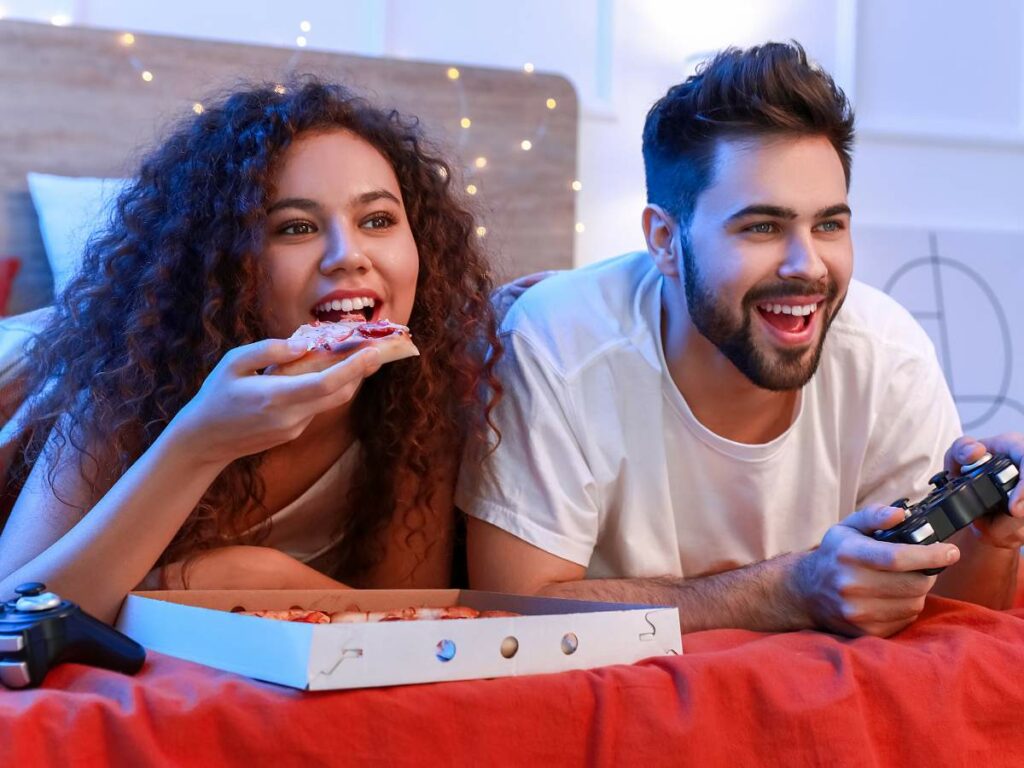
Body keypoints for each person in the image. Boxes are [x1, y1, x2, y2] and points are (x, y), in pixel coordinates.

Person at [456, 42, 1024, 638]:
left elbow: (954, 623)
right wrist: (787, 589)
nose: (808, 266)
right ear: (663, 239)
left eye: (829, 224)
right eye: (762, 226)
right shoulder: (556, 343)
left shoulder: (888, 353)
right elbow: (511, 614)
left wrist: (991, 539)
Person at [0, 79, 500, 623]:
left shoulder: (423, 401)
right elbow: (12, 620)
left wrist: (240, 576)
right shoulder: (129, 380)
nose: (348, 255)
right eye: (296, 227)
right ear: (220, 265)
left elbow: (406, 621)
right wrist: (200, 440)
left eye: (377, 220)